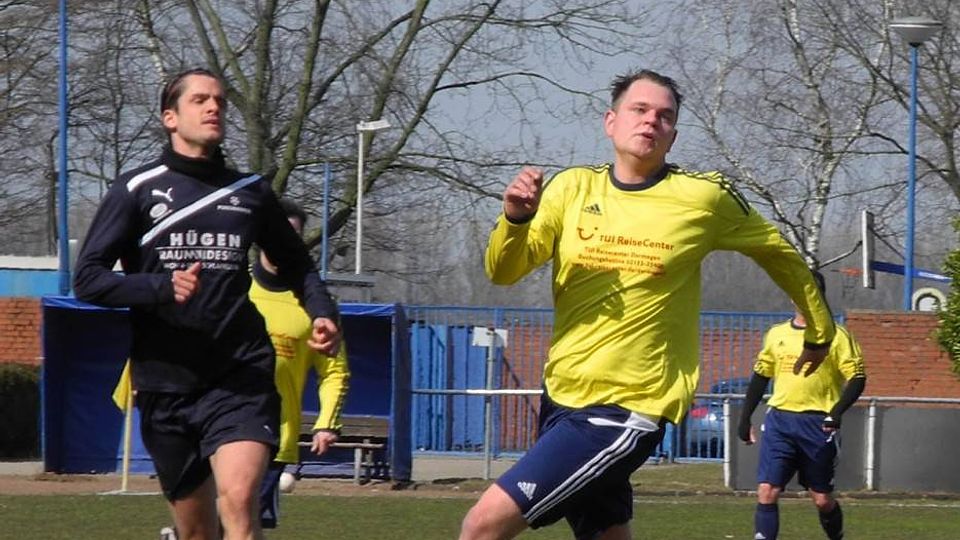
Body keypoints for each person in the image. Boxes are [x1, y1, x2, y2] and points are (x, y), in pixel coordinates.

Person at [459, 69, 835, 540]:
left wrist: (819, 329)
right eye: (639, 110)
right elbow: (503, 271)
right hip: (562, 395)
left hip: (627, 407)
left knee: (482, 526)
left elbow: (779, 254)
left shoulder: (705, 197)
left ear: (672, 135)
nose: (651, 121)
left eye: (664, 116)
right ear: (610, 121)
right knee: (606, 534)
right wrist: (515, 219)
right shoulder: (572, 188)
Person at [73, 67, 341, 540]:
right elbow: (88, 280)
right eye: (200, 100)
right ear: (170, 117)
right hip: (166, 380)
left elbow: (298, 265)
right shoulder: (136, 189)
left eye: (219, 100)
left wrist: (322, 312)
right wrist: (157, 287)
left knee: (238, 501)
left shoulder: (250, 192)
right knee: (197, 532)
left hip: (240, 374)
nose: (214, 107)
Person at [737, 271, 867, 540]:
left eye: (811, 293)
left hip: (818, 424)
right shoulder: (777, 334)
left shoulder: (837, 336)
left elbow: (857, 378)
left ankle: (836, 536)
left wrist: (836, 412)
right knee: (767, 490)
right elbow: (761, 376)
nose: (804, 298)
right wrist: (745, 417)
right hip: (780, 422)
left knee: (821, 499)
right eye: (799, 291)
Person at [251, 198, 350, 529]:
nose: (284, 241)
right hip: (220, 431)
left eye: (292, 235)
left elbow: (334, 371)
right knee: (231, 522)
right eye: (277, 232)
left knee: (244, 524)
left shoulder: (317, 307)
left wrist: (326, 422)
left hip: (275, 439)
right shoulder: (234, 289)